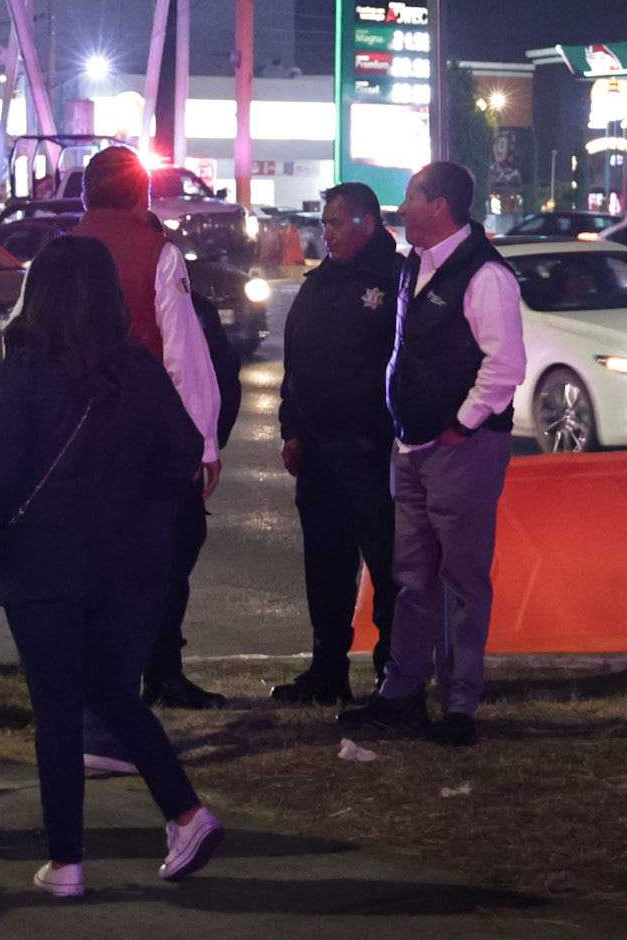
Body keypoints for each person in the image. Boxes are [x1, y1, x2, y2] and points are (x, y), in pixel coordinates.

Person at [0, 236, 225, 897]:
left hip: (42, 564)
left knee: (59, 709)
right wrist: (133, 503)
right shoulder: (139, 370)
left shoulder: (28, 370)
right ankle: (185, 812)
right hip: (121, 563)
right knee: (112, 691)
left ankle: (67, 862)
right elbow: (182, 452)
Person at [337, 159, 525, 750]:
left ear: (439, 205)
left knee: (462, 577)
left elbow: (505, 367)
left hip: (461, 449)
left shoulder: (486, 275)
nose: (403, 207)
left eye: (412, 197)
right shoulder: (415, 265)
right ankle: (402, 692)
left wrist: (459, 427)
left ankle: (461, 702)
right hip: (413, 444)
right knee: (411, 578)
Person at [66, 146, 226, 708]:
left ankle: (97, 680)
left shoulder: (57, 254)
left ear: (84, 193)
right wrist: (202, 441)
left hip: (74, 441)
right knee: (164, 561)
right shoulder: (157, 251)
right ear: (142, 193)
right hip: (143, 437)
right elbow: (183, 353)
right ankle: (161, 674)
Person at [271, 182, 403, 705]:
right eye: (323, 224)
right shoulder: (321, 282)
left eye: (332, 223)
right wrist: (292, 427)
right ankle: (327, 670)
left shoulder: (394, 280)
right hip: (320, 452)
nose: (323, 233)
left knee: (388, 568)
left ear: (364, 223)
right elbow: (295, 361)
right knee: (325, 566)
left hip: (371, 449)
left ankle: (393, 673)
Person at [141, 287, 240, 708]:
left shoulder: (191, 310)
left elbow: (220, 376)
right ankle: (156, 675)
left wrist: (207, 445)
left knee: (171, 573)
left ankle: (163, 674)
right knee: (157, 577)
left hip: (177, 467)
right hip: (169, 466)